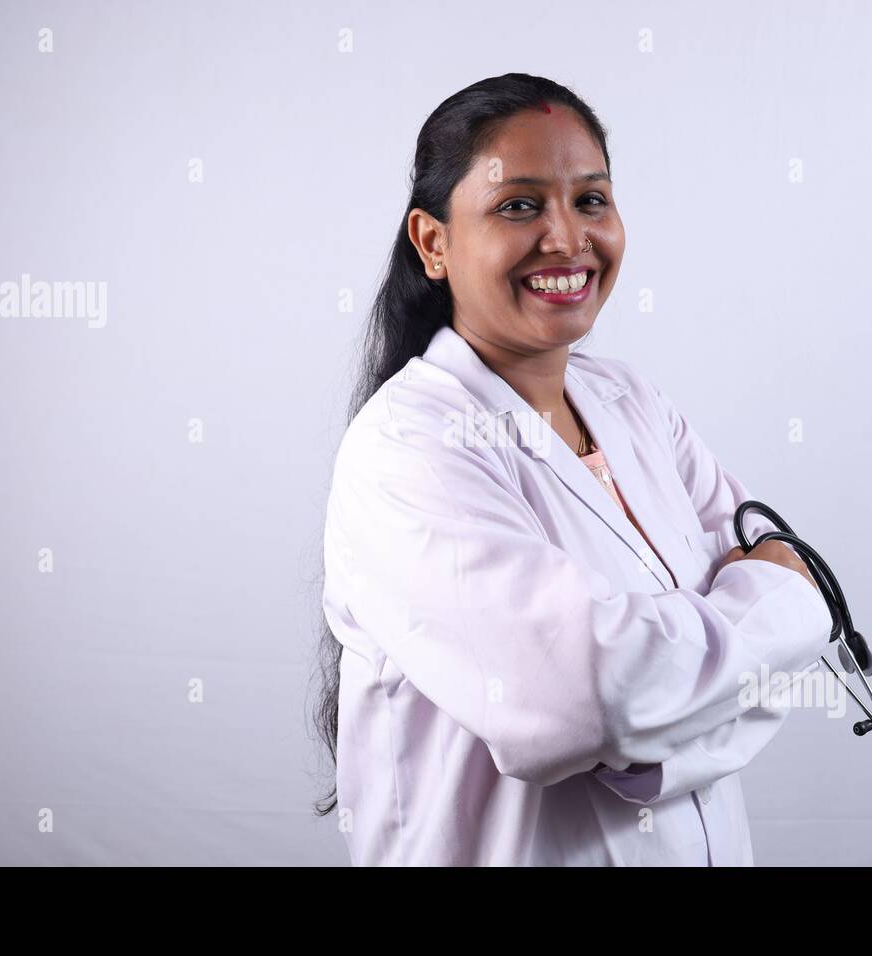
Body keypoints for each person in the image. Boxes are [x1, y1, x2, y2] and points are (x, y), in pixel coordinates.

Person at [312, 73, 830, 866]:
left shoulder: (633, 404)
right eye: (518, 205)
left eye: (591, 201)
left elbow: (681, 694)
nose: (567, 238)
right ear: (434, 242)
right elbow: (589, 702)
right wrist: (786, 602)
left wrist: (659, 718)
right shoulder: (407, 450)